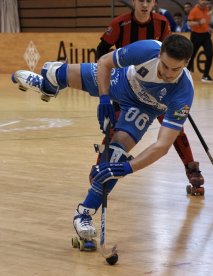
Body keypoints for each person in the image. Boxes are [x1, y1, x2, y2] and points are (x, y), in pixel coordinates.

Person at [12, 34, 196, 249]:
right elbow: (105, 62)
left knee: (114, 159)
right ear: (159, 54)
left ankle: (84, 214)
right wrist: (105, 97)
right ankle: (48, 86)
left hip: (144, 109)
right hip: (122, 81)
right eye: (164, 66)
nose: (167, 73)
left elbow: (162, 146)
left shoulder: (184, 92)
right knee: (54, 73)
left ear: (186, 64)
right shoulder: (147, 50)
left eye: (175, 69)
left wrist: (126, 167)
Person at [97, 0, 204, 197]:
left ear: (154, 3)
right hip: (127, 85)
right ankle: (102, 172)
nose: (145, 4)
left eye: (149, 0)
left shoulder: (162, 23)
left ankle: (191, 168)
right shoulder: (120, 24)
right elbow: (101, 51)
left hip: (161, 86)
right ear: (134, 2)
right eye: (141, 0)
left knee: (174, 129)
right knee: (116, 131)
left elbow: (173, 51)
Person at [187, 0, 213, 83]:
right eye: (203, 1)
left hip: (206, 35)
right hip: (196, 35)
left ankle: (205, 75)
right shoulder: (194, 11)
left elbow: (205, 22)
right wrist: (198, 22)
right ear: (199, 1)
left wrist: (208, 28)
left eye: (206, 2)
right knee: (192, 55)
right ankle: (186, 72)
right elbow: (189, 23)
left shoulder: (207, 9)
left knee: (210, 54)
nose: (204, 3)